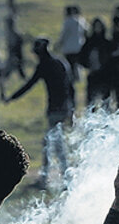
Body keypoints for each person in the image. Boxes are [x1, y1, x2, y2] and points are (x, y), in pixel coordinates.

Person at [6, 38, 74, 185]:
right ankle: (58, 175)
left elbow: (29, 85)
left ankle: (52, 177)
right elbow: (71, 86)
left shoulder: (44, 66)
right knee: (54, 141)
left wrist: (11, 98)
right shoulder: (60, 62)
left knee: (52, 142)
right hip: (64, 107)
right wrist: (71, 108)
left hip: (55, 109)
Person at [80, 17, 112, 106]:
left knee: (106, 102)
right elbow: (82, 57)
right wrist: (87, 65)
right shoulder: (89, 42)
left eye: (99, 26)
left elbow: (111, 59)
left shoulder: (107, 42)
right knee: (91, 102)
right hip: (93, 74)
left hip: (105, 75)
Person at [58, 5, 87, 83]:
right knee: (77, 64)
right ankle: (78, 78)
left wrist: (59, 43)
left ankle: (71, 78)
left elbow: (64, 34)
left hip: (69, 47)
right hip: (79, 46)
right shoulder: (81, 21)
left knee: (70, 64)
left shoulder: (68, 21)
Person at [2, 14, 26, 81]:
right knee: (19, 72)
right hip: (14, 56)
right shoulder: (11, 34)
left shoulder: (13, 35)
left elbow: (16, 46)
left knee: (7, 73)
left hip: (14, 57)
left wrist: (14, 56)